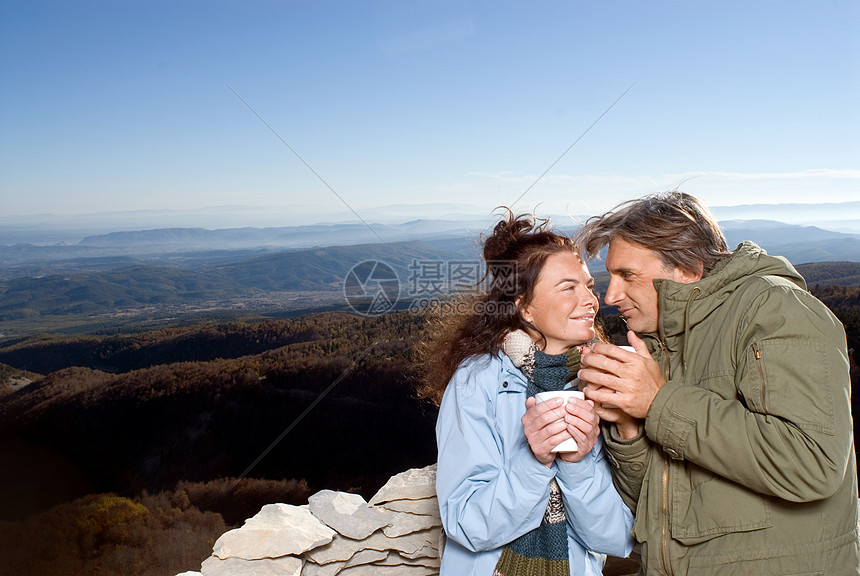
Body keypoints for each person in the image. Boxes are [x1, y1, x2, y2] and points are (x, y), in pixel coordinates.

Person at [574, 191, 859, 574]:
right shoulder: (662, 345)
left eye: (627, 275)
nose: (610, 295)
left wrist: (658, 402)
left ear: (688, 268)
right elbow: (657, 507)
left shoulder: (776, 308)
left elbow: (812, 463)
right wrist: (628, 429)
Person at [417, 210, 635, 576]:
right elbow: (465, 523)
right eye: (568, 287)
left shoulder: (601, 381)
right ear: (525, 308)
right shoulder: (477, 381)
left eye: (588, 286)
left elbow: (615, 538)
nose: (591, 300)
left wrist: (578, 463)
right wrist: (534, 461)